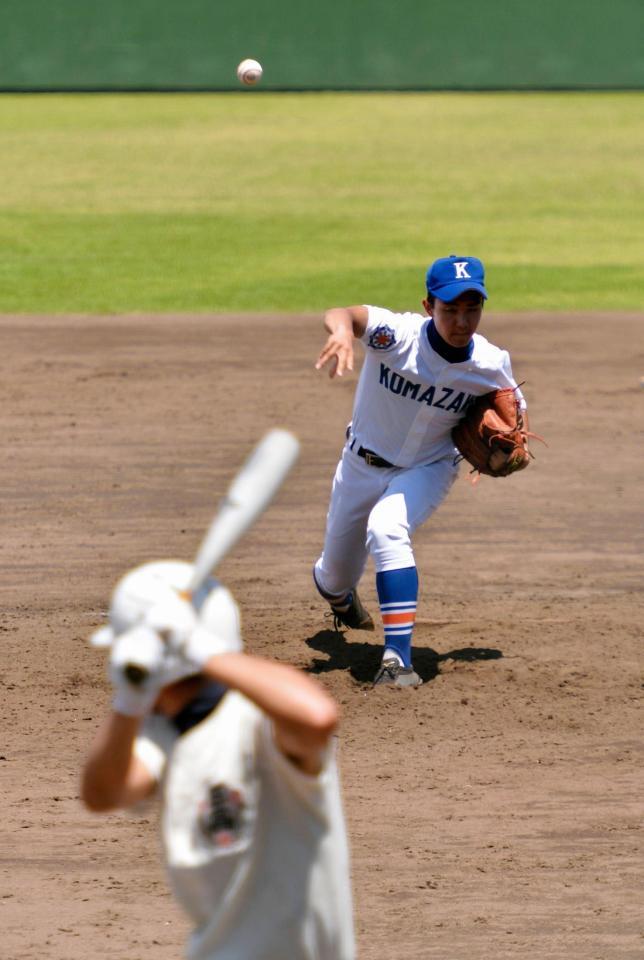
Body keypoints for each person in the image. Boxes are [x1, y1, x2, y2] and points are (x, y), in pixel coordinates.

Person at [81, 560, 355, 960]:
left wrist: (195, 647)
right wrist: (129, 698)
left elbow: (317, 718)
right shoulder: (160, 732)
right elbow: (102, 795)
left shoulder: (259, 721)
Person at [313, 254, 527, 689]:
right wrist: (341, 332)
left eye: (472, 309)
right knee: (332, 579)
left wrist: (505, 455)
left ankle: (397, 660)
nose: (462, 320)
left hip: (428, 467)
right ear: (429, 306)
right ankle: (341, 598)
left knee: (387, 527)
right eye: (450, 309)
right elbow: (345, 315)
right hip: (360, 464)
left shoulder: (490, 362)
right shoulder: (397, 335)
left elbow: (514, 428)